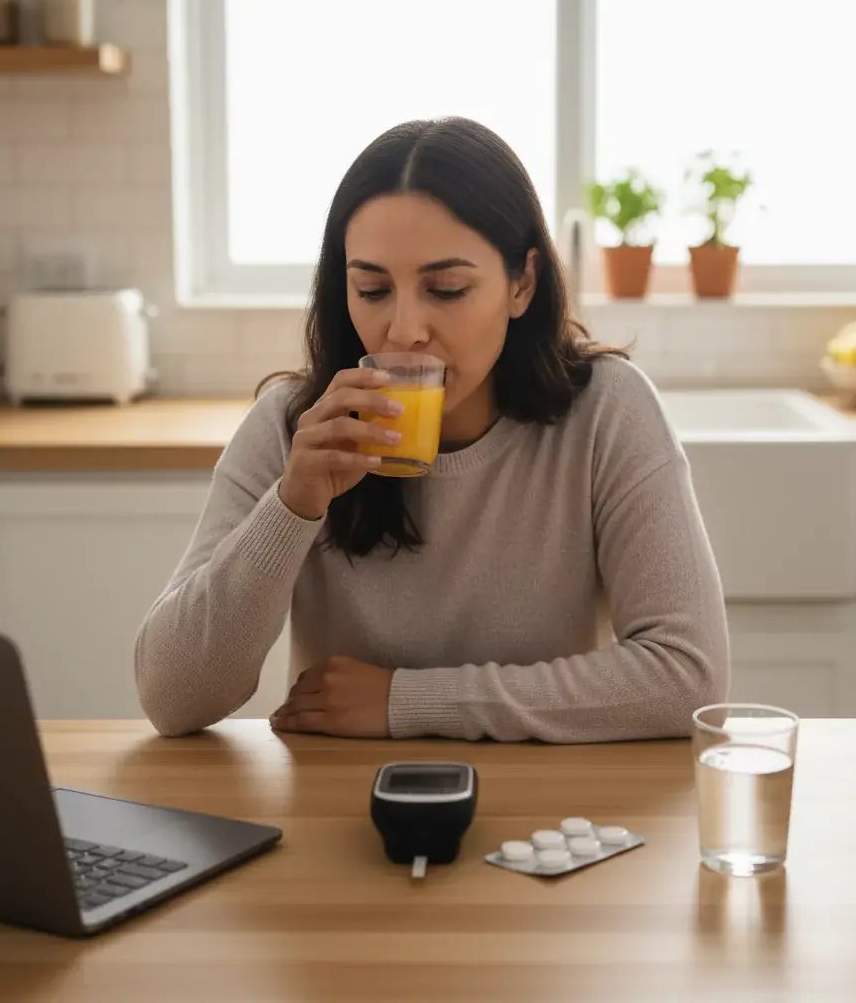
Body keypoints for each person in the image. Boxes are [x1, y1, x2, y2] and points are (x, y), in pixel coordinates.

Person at [134, 116, 730, 742]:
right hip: (340, 808)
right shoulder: (294, 428)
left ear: (521, 284)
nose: (404, 329)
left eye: (445, 289)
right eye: (371, 289)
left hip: (549, 813)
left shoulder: (607, 411)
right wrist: (292, 505)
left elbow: (688, 677)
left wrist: (408, 702)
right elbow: (173, 700)